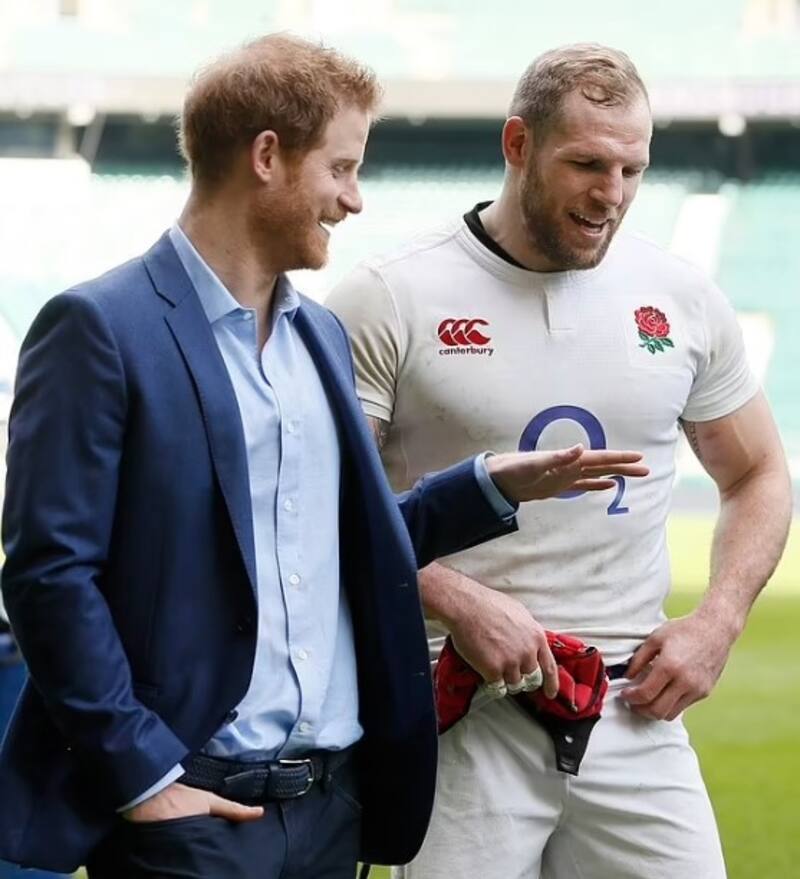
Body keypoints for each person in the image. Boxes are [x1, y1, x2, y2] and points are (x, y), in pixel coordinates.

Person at [0, 35, 647, 879]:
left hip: (330, 809)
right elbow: (49, 573)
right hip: (191, 814)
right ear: (267, 157)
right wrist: (143, 778)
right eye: (341, 169)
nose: (354, 199)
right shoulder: (99, 329)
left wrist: (486, 484)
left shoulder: (320, 338)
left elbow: (344, 542)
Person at [327, 43, 792, 879]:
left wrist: (717, 621)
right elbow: (323, 505)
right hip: (462, 709)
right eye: (586, 163)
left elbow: (758, 472)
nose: (611, 194)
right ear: (518, 145)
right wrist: (455, 598)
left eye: (631, 168)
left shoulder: (682, 298)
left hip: (634, 710)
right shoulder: (390, 296)